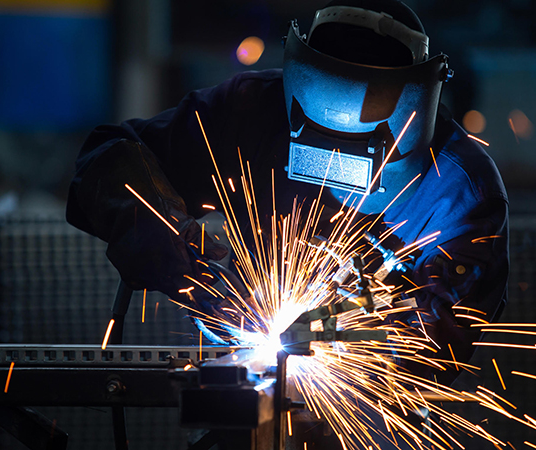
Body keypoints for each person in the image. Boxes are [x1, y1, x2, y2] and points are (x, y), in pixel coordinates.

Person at [66, 0, 508, 389]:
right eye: (316, 149)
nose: (334, 172)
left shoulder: (460, 194)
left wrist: (348, 333)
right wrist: (187, 260)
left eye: (355, 154)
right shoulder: (250, 111)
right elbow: (108, 157)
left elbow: (430, 351)